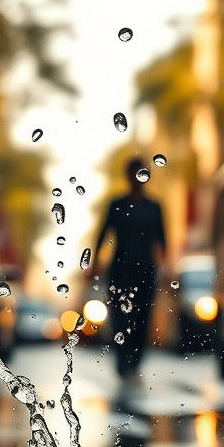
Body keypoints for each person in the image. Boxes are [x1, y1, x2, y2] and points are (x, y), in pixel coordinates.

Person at [88, 157, 166, 379]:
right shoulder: (117, 204)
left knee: (141, 317)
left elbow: (163, 239)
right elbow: (103, 234)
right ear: (128, 176)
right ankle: (122, 358)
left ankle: (135, 359)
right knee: (120, 316)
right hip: (120, 270)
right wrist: (94, 264)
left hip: (145, 270)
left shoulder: (154, 207)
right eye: (133, 173)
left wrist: (165, 267)